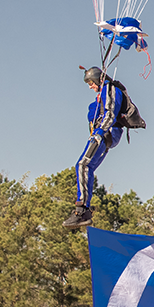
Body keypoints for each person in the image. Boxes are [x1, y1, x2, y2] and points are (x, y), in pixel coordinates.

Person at [64, 66, 124, 228]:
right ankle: (84, 209)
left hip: (105, 133)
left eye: (91, 82)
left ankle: (82, 209)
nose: (90, 86)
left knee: (83, 165)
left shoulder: (109, 89)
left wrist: (99, 132)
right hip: (102, 134)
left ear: (98, 79)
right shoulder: (100, 97)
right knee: (86, 167)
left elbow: (110, 113)